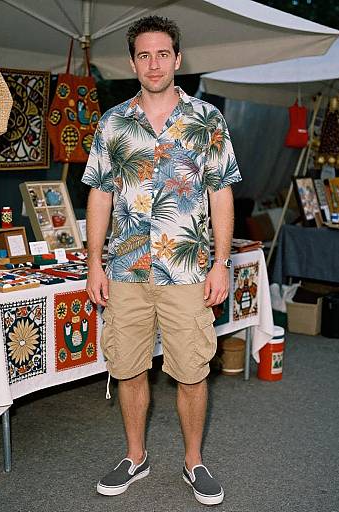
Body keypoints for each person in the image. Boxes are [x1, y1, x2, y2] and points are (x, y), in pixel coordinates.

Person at [81, 15, 241, 506]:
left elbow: (222, 195)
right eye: (144, 55)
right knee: (127, 366)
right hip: (126, 270)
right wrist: (93, 265)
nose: (154, 63)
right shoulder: (112, 123)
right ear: (132, 62)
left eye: (163, 54)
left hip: (188, 271)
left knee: (193, 370)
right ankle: (136, 456)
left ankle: (194, 463)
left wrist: (220, 262)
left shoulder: (206, 120)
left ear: (178, 59)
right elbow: (99, 198)